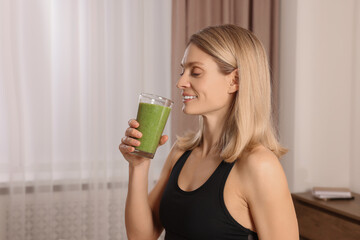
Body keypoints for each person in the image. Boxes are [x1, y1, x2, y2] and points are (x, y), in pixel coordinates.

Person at [119, 24, 299, 240]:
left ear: (235, 80)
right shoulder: (181, 153)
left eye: (195, 72)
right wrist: (138, 166)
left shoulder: (259, 165)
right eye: (182, 71)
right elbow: (141, 237)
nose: (180, 82)